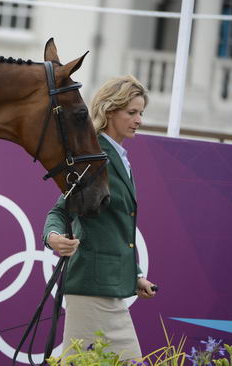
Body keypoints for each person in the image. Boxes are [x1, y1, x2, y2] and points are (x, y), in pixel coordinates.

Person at [43, 75, 156, 361]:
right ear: (109, 111)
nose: (139, 120)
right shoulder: (94, 159)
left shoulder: (118, 158)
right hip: (91, 290)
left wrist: (136, 274)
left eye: (141, 112)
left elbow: (115, 230)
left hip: (110, 289)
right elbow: (59, 211)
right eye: (132, 112)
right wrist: (55, 238)